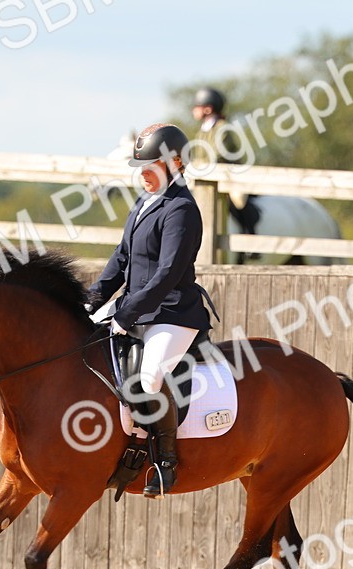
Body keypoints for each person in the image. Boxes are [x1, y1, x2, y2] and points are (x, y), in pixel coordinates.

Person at [86, 123, 213, 498]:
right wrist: (93, 301)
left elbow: (167, 274)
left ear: (176, 163)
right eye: (140, 166)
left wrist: (124, 314)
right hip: (136, 308)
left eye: (151, 165)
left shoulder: (182, 209)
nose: (143, 173)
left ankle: (166, 463)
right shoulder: (145, 202)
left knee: (149, 378)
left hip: (172, 313)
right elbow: (121, 258)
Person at [190, 87, 261, 237]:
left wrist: (198, 166)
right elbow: (197, 155)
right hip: (207, 177)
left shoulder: (223, 128)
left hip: (230, 177)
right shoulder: (201, 131)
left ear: (208, 109)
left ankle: (249, 233)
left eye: (197, 106)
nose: (194, 110)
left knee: (238, 201)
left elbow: (217, 155)